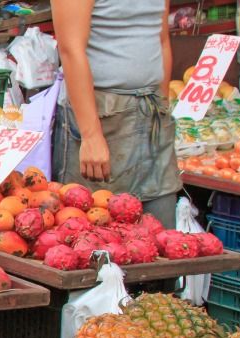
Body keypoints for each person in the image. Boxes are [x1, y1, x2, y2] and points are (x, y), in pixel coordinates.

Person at [51, 0, 180, 227]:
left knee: (162, 231)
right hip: (103, 114)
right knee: (97, 232)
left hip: (150, 111)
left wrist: (162, 104)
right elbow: (70, 48)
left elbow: (161, 39)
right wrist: (91, 135)